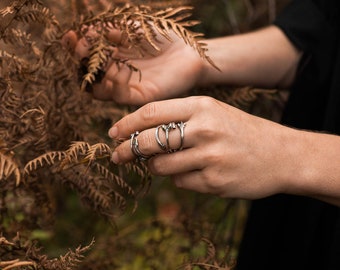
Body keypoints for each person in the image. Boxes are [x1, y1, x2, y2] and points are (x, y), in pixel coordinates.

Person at [66, 0, 340, 268]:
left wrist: (291, 155)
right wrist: (196, 56)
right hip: (295, 224)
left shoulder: (286, 159)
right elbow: (323, 33)